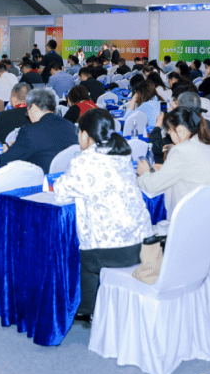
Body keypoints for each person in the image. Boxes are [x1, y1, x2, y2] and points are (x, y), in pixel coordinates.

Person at [53, 108, 154, 323]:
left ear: (84, 134)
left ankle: (88, 307)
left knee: (85, 257)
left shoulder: (84, 161)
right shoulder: (121, 154)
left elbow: (61, 191)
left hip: (111, 252)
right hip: (142, 244)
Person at [136, 107, 210, 246]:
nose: (170, 136)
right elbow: (193, 171)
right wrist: (165, 169)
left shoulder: (181, 151)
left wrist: (144, 172)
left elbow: (151, 186)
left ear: (181, 130)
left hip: (199, 234)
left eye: (170, 132)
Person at [0, 88, 77, 173]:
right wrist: (19, 145)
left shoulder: (30, 131)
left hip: (41, 178)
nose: (28, 114)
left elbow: (3, 162)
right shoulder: (70, 126)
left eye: (28, 109)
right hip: (66, 175)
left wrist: (7, 151)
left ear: (33, 106)